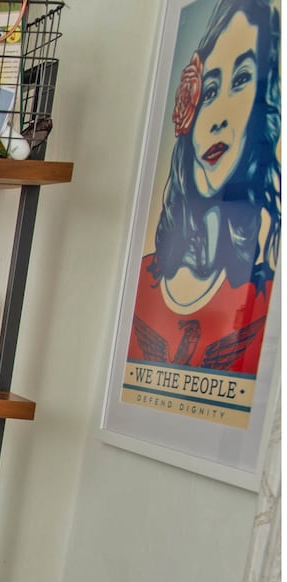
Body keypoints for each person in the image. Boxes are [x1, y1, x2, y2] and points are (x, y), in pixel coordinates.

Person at [128, 0, 279, 374]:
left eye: (242, 80)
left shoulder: (266, 300)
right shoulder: (142, 282)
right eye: (209, 91)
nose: (216, 119)